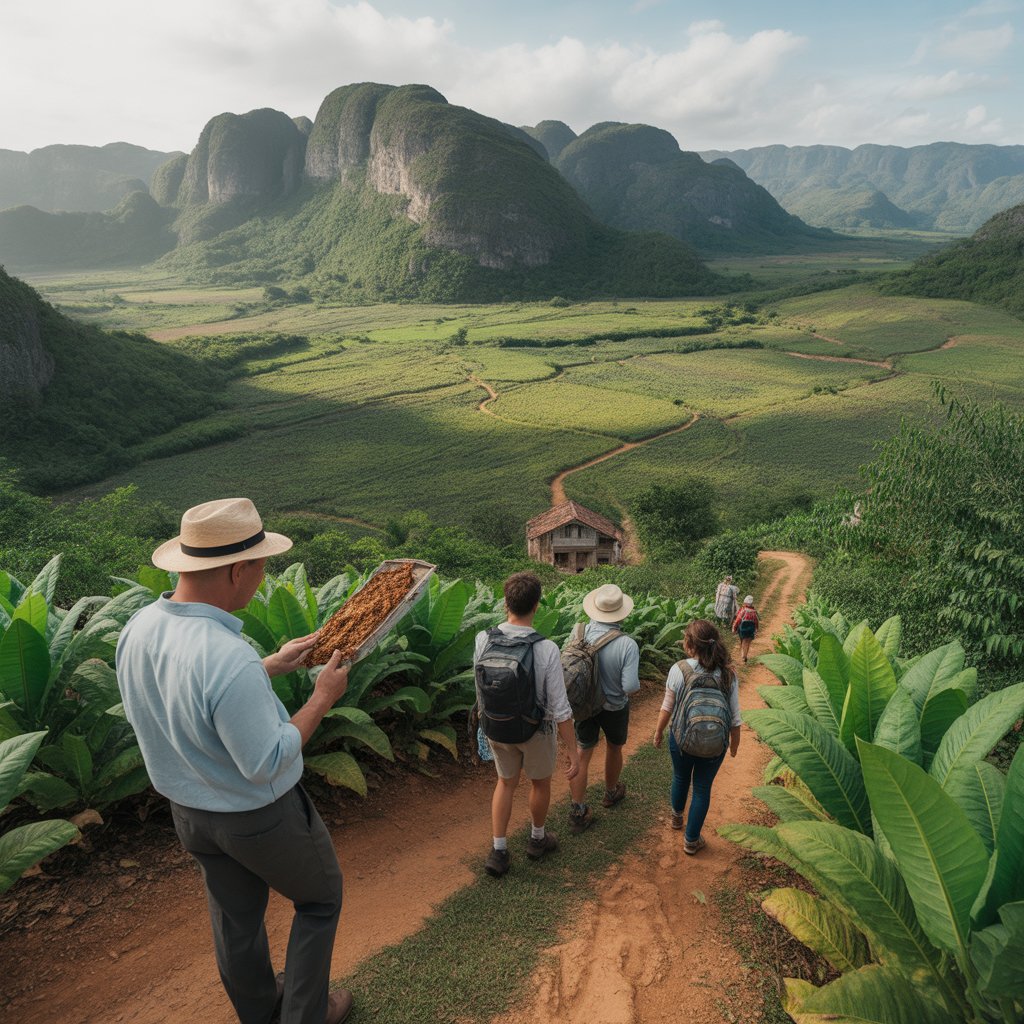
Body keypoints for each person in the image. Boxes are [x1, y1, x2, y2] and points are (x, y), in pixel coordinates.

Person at [116, 498, 353, 1024]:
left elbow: (186, 696)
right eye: (261, 568)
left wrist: (269, 665)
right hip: (256, 817)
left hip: (190, 812)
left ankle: (260, 1012)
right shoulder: (227, 656)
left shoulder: (139, 628)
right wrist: (322, 698)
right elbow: (266, 762)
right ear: (237, 569)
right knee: (320, 899)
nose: (261, 580)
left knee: (235, 920)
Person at [475, 572, 579, 878]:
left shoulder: (483, 639)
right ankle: (537, 839)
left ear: (506, 602)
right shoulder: (546, 648)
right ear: (536, 606)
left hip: (496, 725)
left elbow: (479, 687)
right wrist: (573, 750)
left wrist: (485, 724)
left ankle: (498, 851)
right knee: (539, 782)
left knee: (505, 782)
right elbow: (560, 708)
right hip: (535, 730)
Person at [653, 619, 741, 855]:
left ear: (690, 645)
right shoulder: (728, 674)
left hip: (681, 738)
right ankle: (691, 840)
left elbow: (667, 707)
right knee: (702, 788)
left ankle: (676, 817)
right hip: (715, 745)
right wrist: (734, 745)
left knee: (681, 777)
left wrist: (659, 731)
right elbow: (734, 717)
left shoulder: (679, 669)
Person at [567, 584, 641, 834]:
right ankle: (611, 792)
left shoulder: (578, 632)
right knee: (613, 747)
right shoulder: (627, 644)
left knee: (582, 753)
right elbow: (630, 686)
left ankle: (578, 810)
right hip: (614, 708)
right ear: (621, 613)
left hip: (584, 705)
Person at [732, 594, 760, 664]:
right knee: (748, 643)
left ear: (745, 603)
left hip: (743, 630)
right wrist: (756, 629)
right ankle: (745, 655)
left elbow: (738, 620)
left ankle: (743, 656)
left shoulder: (743, 610)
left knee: (743, 642)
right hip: (751, 630)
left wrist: (734, 628)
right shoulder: (754, 612)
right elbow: (756, 621)